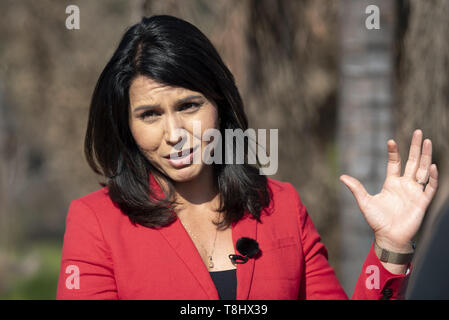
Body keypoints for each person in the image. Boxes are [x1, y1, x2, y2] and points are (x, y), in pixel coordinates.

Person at [56, 15, 439, 300]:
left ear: (219, 104)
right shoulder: (97, 222)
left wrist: (390, 248)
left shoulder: (281, 206)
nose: (173, 134)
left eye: (189, 106)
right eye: (149, 115)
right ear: (127, 125)